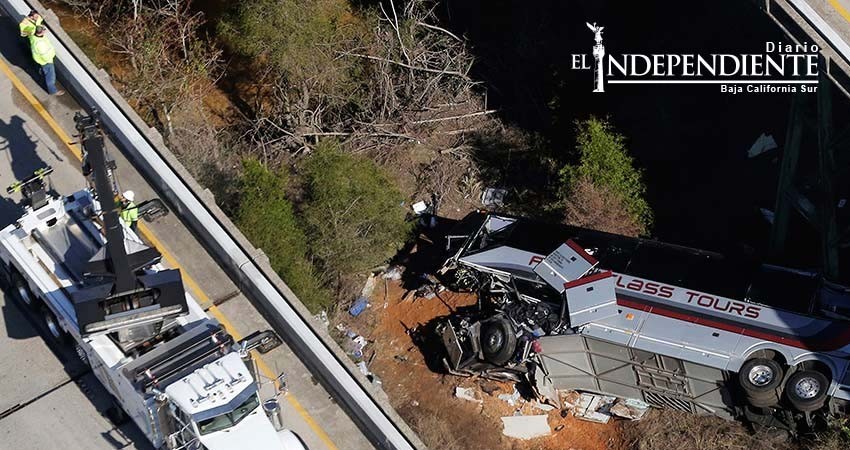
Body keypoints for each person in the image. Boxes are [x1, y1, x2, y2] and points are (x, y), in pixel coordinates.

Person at [29, 26, 64, 96]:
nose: (45, 31)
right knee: (51, 78)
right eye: (44, 30)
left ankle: (42, 71)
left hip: (41, 61)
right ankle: (53, 91)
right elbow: (44, 55)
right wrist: (50, 59)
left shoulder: (34, 38)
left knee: (45, 71)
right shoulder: (39, 44)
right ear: (41, 32)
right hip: (46, 62)